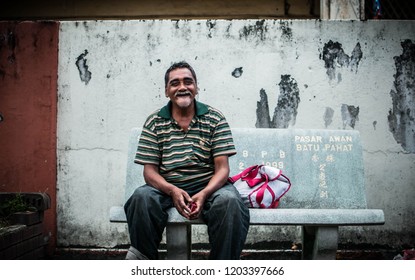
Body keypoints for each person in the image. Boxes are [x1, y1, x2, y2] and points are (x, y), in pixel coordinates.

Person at [124, 61, 250, 260]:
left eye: (188, 82)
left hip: (210, 187)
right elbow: (149, 172)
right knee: (141, 198)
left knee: (230, 201)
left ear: (196, 88)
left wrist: (204, 193)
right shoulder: (154, 121)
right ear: (167, 91)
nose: (182, 87)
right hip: (166, 188)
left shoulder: (214, 118)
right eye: (175, 83)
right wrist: (172, 190)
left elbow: (222, 169)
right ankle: (143, 263)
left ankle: (222, 266)